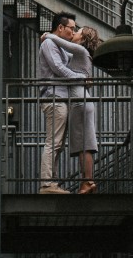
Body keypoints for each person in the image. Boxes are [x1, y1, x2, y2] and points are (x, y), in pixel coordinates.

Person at [42, 25, 104, 194]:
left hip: (78, 101)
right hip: (81, 99)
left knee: (84, 144)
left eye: (78, 32)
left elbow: (61, 43)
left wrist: (49, 35)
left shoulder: (80, 51)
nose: (74, 33)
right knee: (85, 143)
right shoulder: (81, 54)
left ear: (83, 39)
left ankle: (87, 182)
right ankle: (87, 182)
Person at [36, 12, 82, 194]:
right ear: (60, 27)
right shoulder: (49, 44)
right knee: (53, 142)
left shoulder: (58, 45)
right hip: (53, 98)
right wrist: (80, 78)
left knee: (58, 144)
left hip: (59, 98)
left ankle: (51, 183)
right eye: (72, 28)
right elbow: (58, 68)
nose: (73, 31)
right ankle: (47, 184)